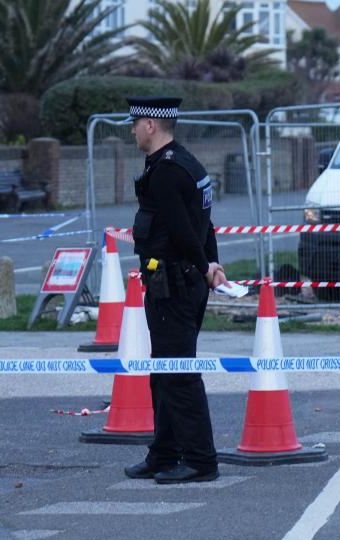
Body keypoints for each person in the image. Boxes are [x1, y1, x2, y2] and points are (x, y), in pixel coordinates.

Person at [121, 96, 226, 485]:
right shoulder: (187, 163)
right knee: (163, 371)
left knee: (178, 373)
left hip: (174, 285)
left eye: (135, 123)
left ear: (151, 125)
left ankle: (200, 459)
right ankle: (164, 452)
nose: (131, 130)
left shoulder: (166, 171)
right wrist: (211, 265)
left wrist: (203, 266)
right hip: (183, 281)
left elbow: (184, 229)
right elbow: (205, 224)